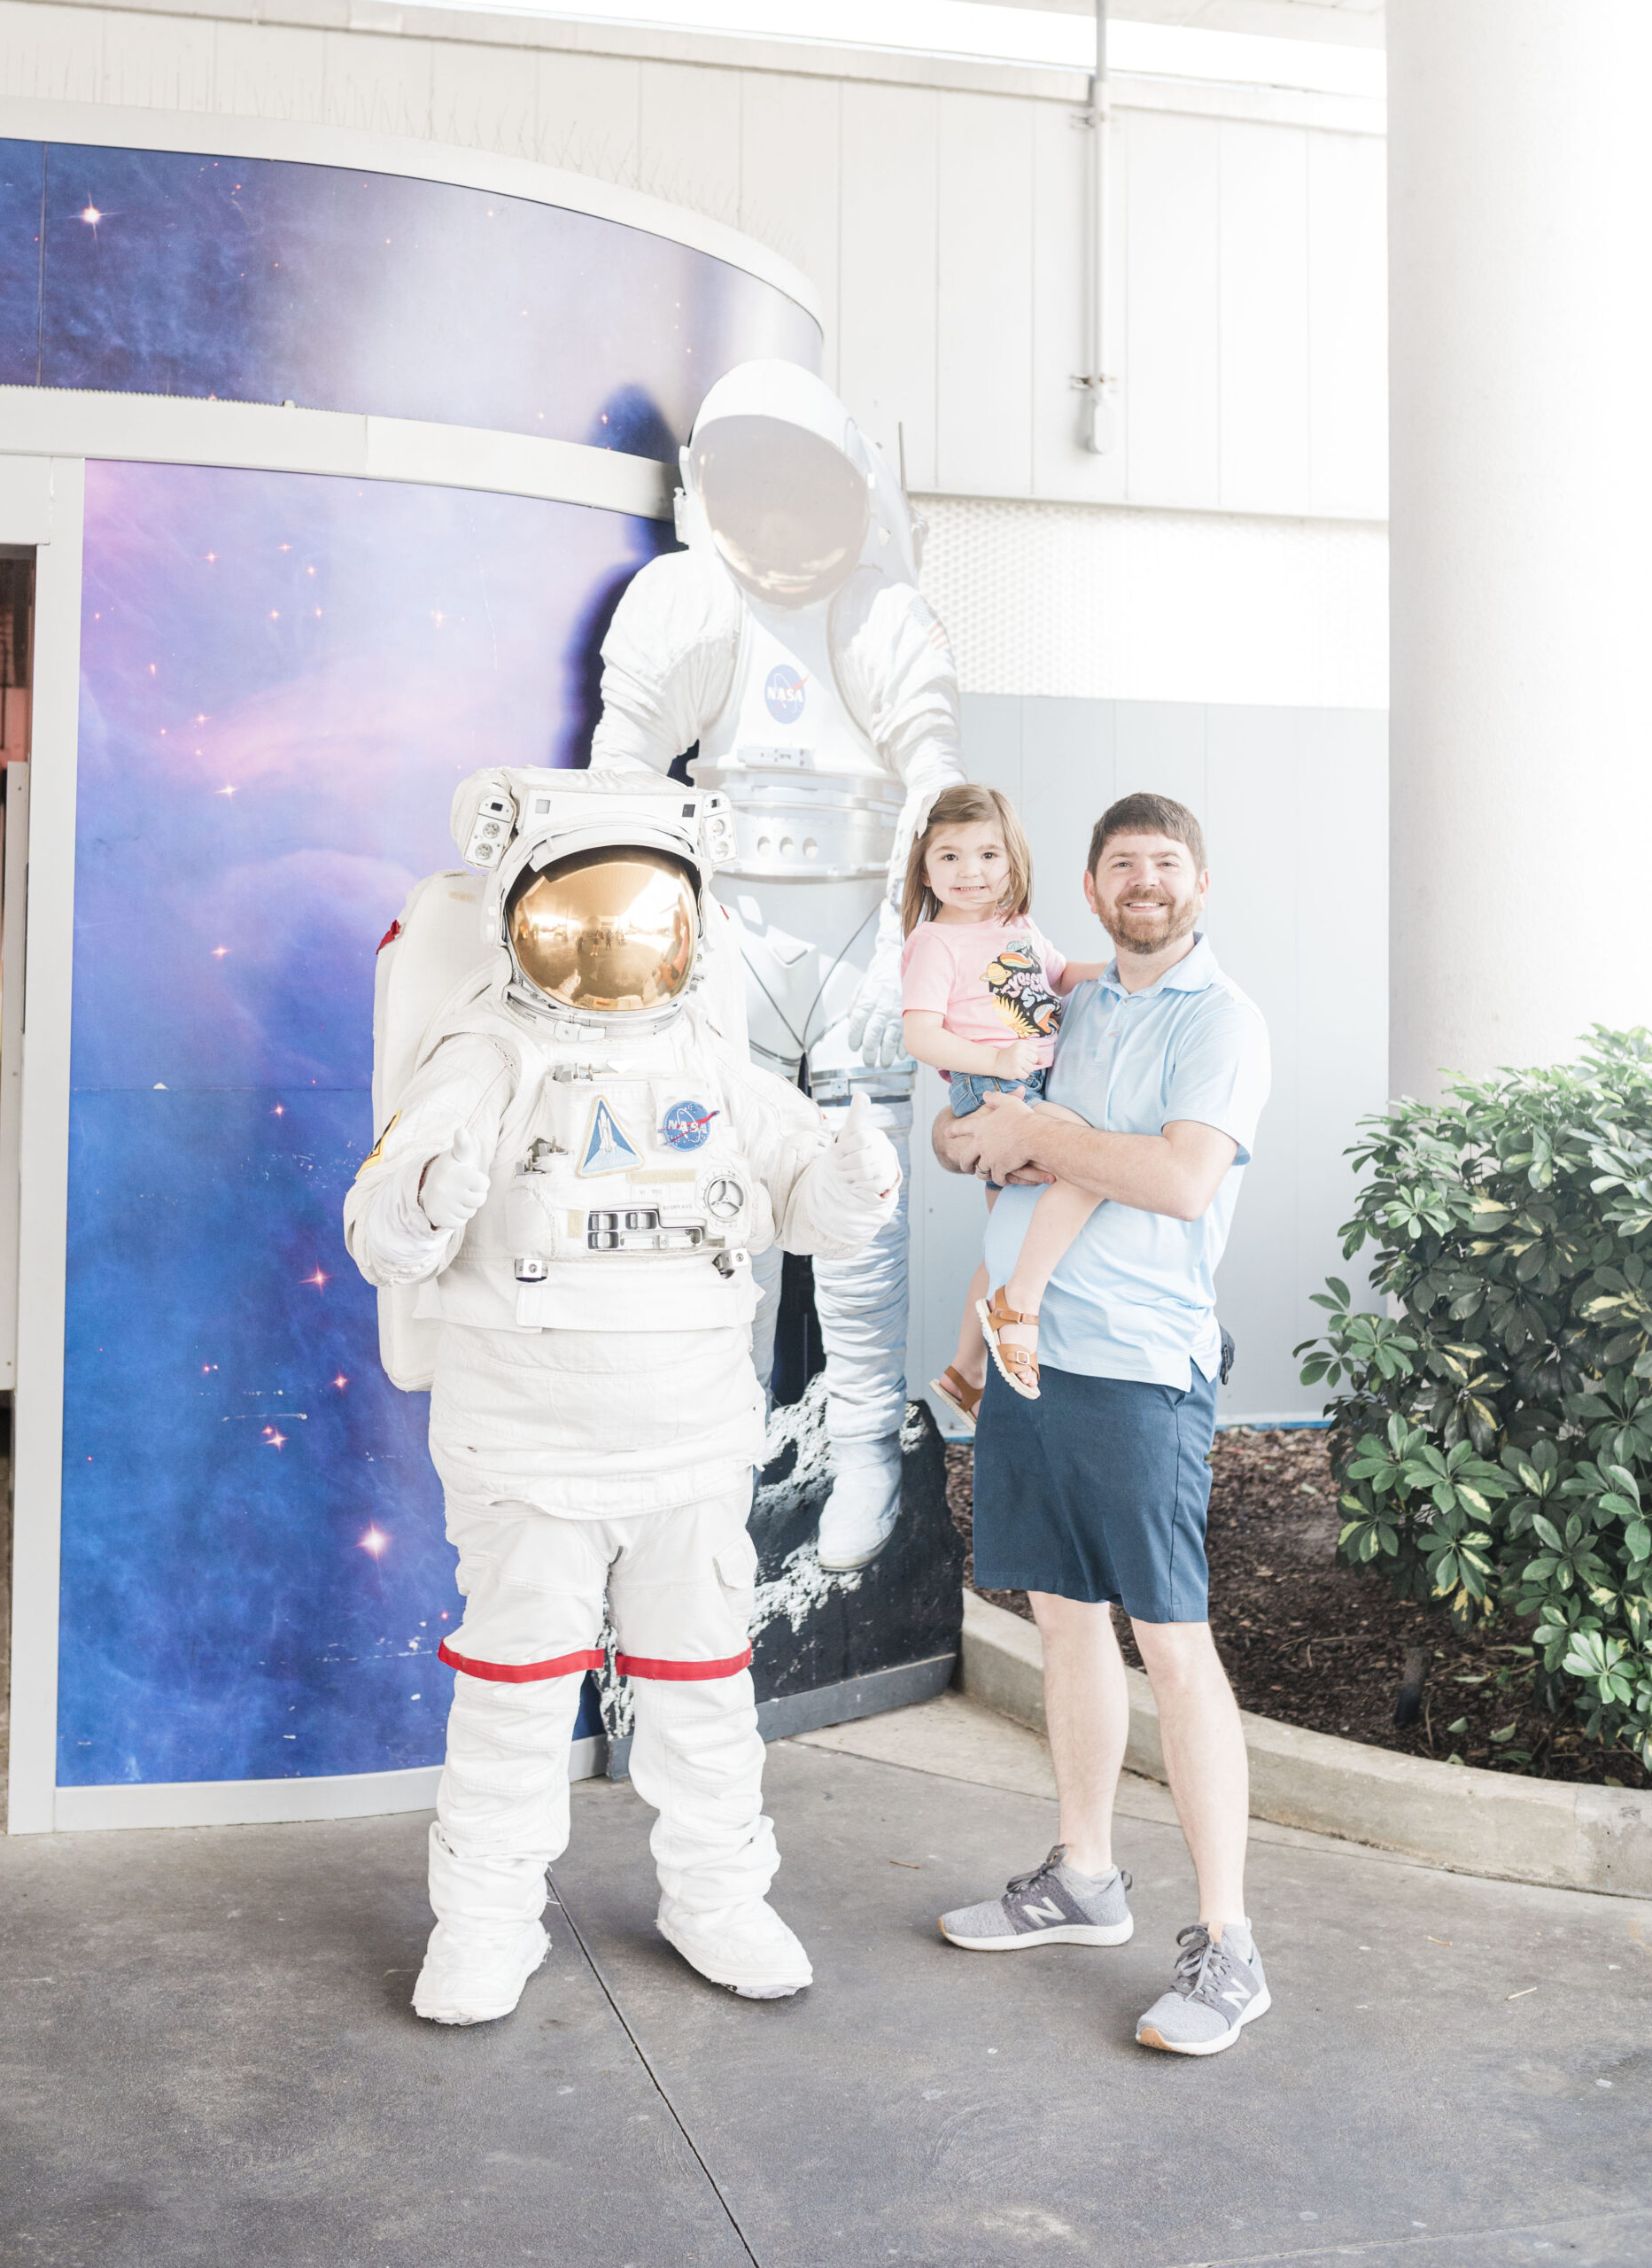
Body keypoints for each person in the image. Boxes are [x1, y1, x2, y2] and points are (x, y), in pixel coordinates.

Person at [345, 765, 900, 2027]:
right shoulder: (489, 1056)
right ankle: (485, 1921)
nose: (611, 940)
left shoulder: (710, 1059)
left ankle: (718, 1897)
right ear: (520, 917)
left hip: (688, 1446)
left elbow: (809, 1202)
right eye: (583, 911)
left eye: (641, 911)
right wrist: (426, 1199)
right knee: (518, 1695)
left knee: (704, 1690)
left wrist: (857, 1178)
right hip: (531, 1448)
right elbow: (385, 1229)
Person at [588, 357, 966, 1572]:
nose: (783, 514)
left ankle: (862, 1446)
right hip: (729, 933)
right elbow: (622, 769)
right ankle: (725, 1433)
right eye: (756, 485)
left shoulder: (880, 612)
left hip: (862, 938)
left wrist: (935, 840)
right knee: (714, 1197)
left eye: (806, 485)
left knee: (860, 1208)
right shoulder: (688, 599)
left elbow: (934, 758)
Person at [932, 791, 1274, 2059]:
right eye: (1123, 862)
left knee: (1173, 1645)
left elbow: (1182, 1180)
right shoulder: (1064, 1001)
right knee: (1068, 1623)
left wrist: (1051, 1135)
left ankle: (1230, 1946)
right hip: (1034, 1357)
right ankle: (1084, 1878)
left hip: (1139, 1369)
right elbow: (968, 1125)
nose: (1145, 880)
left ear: (1198, 884)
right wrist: (980, 1136)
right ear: (1089, 885)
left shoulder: (1221, 1021)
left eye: (1166, 863)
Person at [896, 782, 1107, 1412]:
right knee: (1086, 1161)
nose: (971, 872)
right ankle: (1020, 1311)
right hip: (991, 1084)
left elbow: (1062, 976)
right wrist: (991, 1060)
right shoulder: (935, 942)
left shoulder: (1016, 925)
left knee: (1009, 1240)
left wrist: (1127, 969)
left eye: (988, 855)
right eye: (950, 856)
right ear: (926, 869)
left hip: (1030, 1077)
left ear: (1013, 860)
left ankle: (966, 1370)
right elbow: (920, 1034)